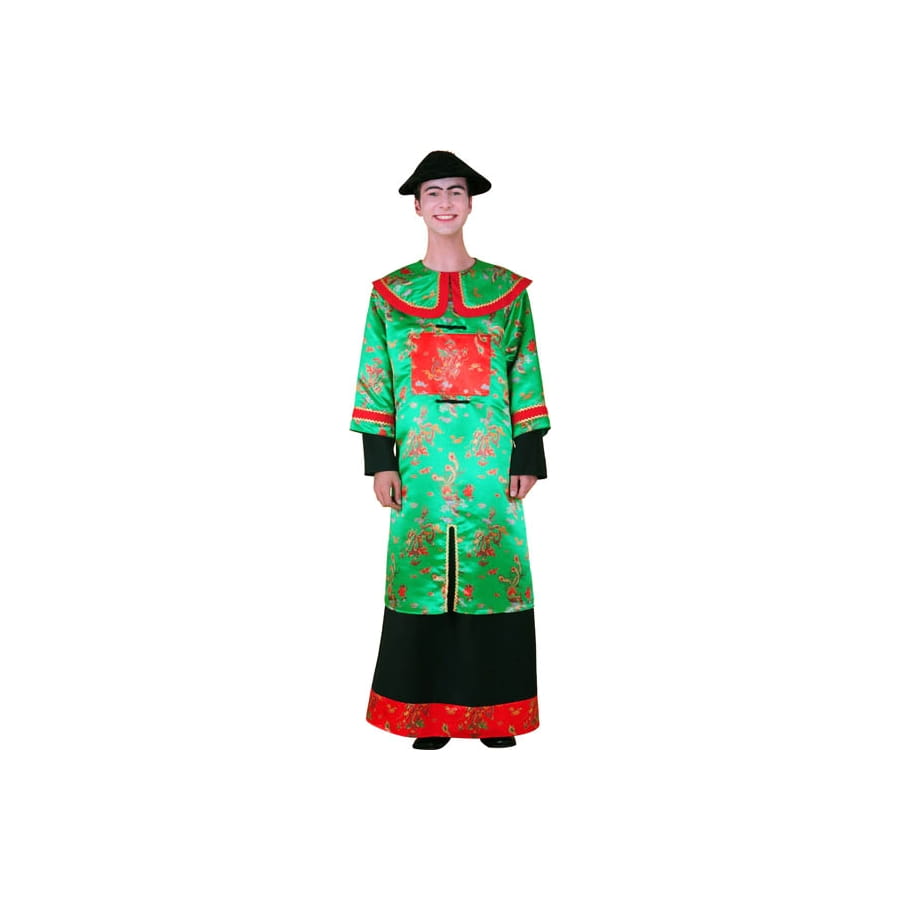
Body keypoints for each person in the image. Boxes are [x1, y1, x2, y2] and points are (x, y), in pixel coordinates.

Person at [349, 150, 550, 749]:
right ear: (417, 206)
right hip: (419, 467)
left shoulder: (506, 293)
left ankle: (497, 715)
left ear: (469, 204)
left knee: (493, 579)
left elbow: (524, 369)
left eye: (455, 192)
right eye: (433, 193)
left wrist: (528, 453)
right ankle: (426, 716)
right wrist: (380, 461)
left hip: (491, 467)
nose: (445, 203)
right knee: (421, 579)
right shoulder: (390, 295)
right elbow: (376, 378)